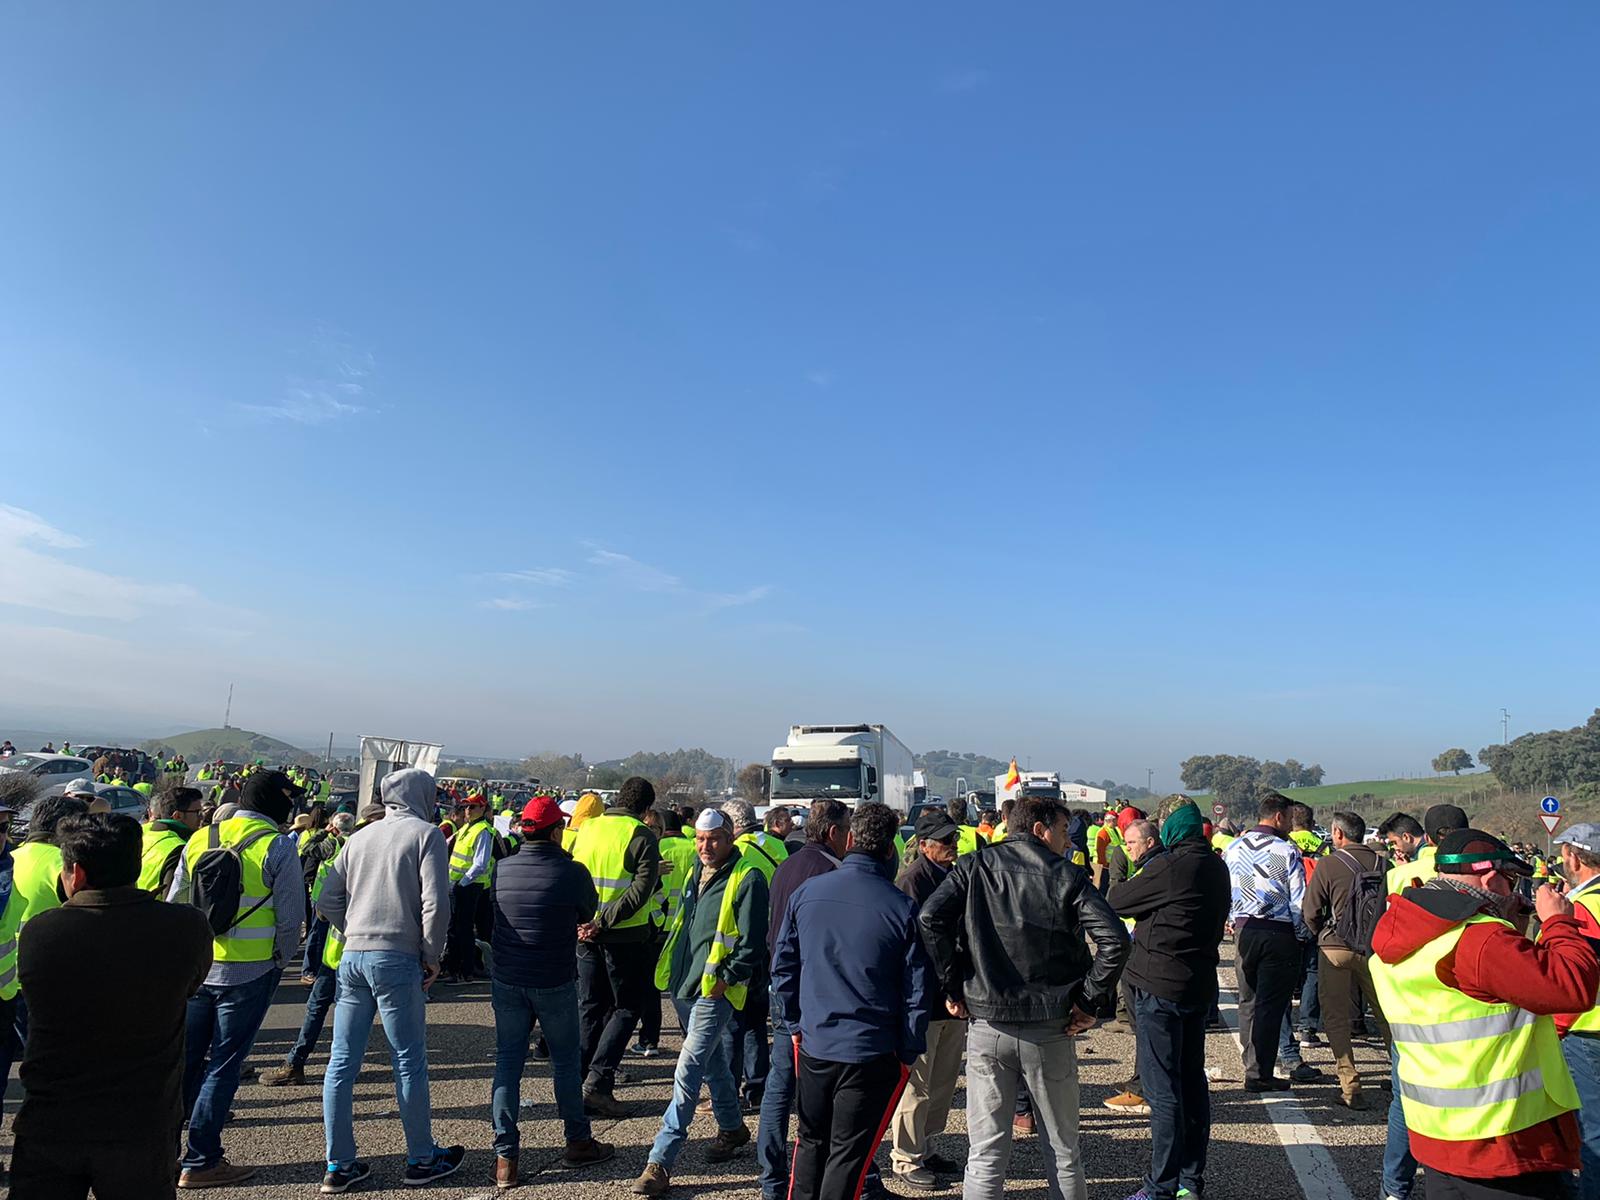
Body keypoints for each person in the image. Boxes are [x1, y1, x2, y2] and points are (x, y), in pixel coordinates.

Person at [919, 795, 1130, 1200]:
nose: (1068, 841)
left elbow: (931, 918)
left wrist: (953, 985)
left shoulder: (974, 866)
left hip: (987, 1020)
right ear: (1040, 829)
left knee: (985, 1152)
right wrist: (1088, 1001)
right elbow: (1115, 941)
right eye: (1064, 831)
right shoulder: (1066, 875)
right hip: (1050, 1025)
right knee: (1063, 1151)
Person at [1370, 828, 1598, 1200]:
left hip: (1438, 1133)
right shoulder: (1481, 940)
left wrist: (1509, 927)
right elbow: (1572, 987)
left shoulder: (1405, 927)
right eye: (1511, 883)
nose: (1514, 893)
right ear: (1492, 878)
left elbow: (1478, 995)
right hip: (1503, 1141)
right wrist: (1558, 921)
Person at [8, 813, 212, 1200]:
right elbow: (190, 986)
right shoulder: (186, 927)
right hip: (142, 1123)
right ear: (135, 865)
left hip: (51, 1122)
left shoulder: (42, 932)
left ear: (77, 874)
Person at [316, 767, 461, 1192]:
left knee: (342, 1061)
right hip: (397, 956)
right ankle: (421, 1157)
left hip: (353, 956)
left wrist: (351, 928)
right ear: (423, 796)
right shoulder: (426, 834)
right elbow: (436, 901)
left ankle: (338, 1164)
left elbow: (327, 897)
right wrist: (431, 955)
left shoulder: (359, 836)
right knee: (407, 1060)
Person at [773, 803, 928, 1200]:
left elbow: (783, 968)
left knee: (810, 1142)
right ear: (891, 850)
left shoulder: (808, 893)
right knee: (848, 1156)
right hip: (870, 1050)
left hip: (816, 1043)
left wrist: (795, 1025)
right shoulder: (901, 907)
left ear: (851, 839)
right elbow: (916, 992)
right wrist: (909, 1050)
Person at [167, 769, 305, 1188]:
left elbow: (176, 902)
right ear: (273, 801)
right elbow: (291, 916)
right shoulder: (277, 846)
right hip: (250, 971)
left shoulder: (201, 838)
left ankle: (164, 1153)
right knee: (223, 1066)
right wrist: (280, 959)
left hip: (197, 969)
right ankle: (202, 1159)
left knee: (184, 1062)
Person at [633, 808, 769, 1197]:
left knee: (688, 1070)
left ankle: (660, 1160)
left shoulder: (748, 878)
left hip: (713, 990)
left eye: (713, 839)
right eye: (700, 839)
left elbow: (752, 944)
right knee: (712, 1065)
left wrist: (725, 979)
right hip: (685, 984)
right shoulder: (695, 869)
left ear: (730, 839)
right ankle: (732, 1128)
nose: (704, 846)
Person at [1107, 798, 1231, 1200]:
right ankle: (1190, 1181)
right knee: (1193, 1084)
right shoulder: (1216, 865)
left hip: (1160, 987)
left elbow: (1118, 900)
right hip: (1197, 986)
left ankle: (1159, 1186)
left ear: (1170, 828)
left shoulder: (1169, 866)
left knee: (1163, 1091)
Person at [489, 795, 613, 1189]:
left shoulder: (502, 868)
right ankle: (577, 1141)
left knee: (508, 1064)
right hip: (554, 978)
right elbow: (587, 910)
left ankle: (505, 1157)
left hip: (508, 976)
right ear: (557, 831)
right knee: (563, 1064)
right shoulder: (571, 871)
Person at [756, 799, 851, 1200]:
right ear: (832, 832)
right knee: (825, 1093)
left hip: (781, 986)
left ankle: (771, 1179)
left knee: (779, 1086)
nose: (850, 839)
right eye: (847, 830)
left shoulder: (785, 866)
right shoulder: (834, 872)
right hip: (815, 994)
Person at [261, 811, 381, 1092]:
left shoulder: (348, 854)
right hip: (356, 952)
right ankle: (332, 1067)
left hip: (341, 951)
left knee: (324, 1009)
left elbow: (326, 905)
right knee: (350, 1013)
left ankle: (301, 1063)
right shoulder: (383, 864)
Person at [570, 776, 662, 1118]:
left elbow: (574, 874)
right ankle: (597, 1082)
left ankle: (576, 1081)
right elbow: (641, 890)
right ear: (647, 808)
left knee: (591, 1007)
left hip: (585, 933)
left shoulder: (588, 828)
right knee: (626, 1008)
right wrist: (604, 920)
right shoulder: (640, 835)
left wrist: (583, 920)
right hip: (623, 935)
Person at [889, 808, 966, 1191]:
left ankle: (927, 1144)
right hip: (923, 999)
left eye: (954, 839)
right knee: (916, 1085)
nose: (953, 846)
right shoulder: (912, 882)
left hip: (951, 998)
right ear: (924, 846)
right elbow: (912, 947)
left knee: (942, 1080)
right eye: (945, 841)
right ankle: (905, 1157)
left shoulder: (951, 875)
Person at [1222, 791, 1313, 1091]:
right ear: (1278, 817)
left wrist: (1233, 920)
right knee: (1272, 1006)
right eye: (1288, 817)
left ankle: (1251, 1064)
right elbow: (1299, 901)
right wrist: (1301, 937)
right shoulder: (1287, 851)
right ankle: (1260, 1073)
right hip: (1278, 932)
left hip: (1244, 932)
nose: (1290, 823)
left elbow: (1227, 891)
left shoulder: (1233, 848)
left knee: (1248, 1000)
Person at [1302, 810, 1390, 1110]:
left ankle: (1350, 1086)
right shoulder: (1384, 863)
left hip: (1335, 947)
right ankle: (1403, 1081)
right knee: (1385, 1015)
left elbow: (1310, 910)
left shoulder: (1329, 864)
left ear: (1338, 834)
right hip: (1374, 949)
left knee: (1336, 1019)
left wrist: (1321, 935)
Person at [1551, 823, 1600, 1199]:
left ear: (1574, 857)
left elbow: (1569, 976)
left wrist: (1556, 1028)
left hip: (1586, 1032)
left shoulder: (1581, 909)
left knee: (1592, 1135)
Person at [723, 799, 780, 1107]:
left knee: (733, 1024)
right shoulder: (776, 845)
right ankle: (757, 1087)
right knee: (758, 1020)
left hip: (742, 944)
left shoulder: (737, 853)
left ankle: (728, 1092)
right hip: (771, 943)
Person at [443, 793, 494, 982]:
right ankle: (453, 968)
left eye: (472, 807)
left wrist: (462, 883)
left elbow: (480, 863)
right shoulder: (466, 827)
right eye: (466, 807)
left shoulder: (482, 830)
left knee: (463, 928)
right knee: (454, 927)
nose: (467, 810)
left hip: (469, 886)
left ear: (482, 808)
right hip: (457, 884)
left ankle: (465, 970)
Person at [139, 786, 204, 896]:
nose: (201, 817)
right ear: (177, 816)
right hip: (155, 911)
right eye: (197, 812)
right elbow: (173, 901)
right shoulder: (178, 849)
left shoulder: (142, 833)